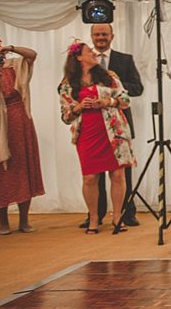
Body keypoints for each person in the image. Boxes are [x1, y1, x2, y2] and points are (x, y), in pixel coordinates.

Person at [57, 41, 135, 235]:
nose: (93, 53)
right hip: (87, 133)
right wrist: (79, 107)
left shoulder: (109, 77)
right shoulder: (68, 84)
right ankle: (93, 217)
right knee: (90, 178)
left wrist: (107, 101)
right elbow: (66, 117)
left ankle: (117, 216)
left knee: (117, 175)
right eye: (88, 51)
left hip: (113, 131)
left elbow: (125, 100)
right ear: (78, 57)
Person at [79, 23, 144, 229]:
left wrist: (113, 84)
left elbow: (137, 88)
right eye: (97, 34)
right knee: (94, 174)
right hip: (92, 126)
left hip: (117, 124)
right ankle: (95, 215)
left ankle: (126, 213)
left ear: (112, 36)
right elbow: (66, 88)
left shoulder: (125, 60)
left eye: (104, 34)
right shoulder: (82, 61)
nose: (101, 37)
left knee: (121, 173)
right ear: (91, 36)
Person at [0, 36, 43, 234]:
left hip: (19, 121)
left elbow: (32, 55)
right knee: (0, 171)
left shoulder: (12, 65)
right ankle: (3, 221)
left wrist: (10, 48)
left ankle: (24, 220)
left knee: (21, 169)